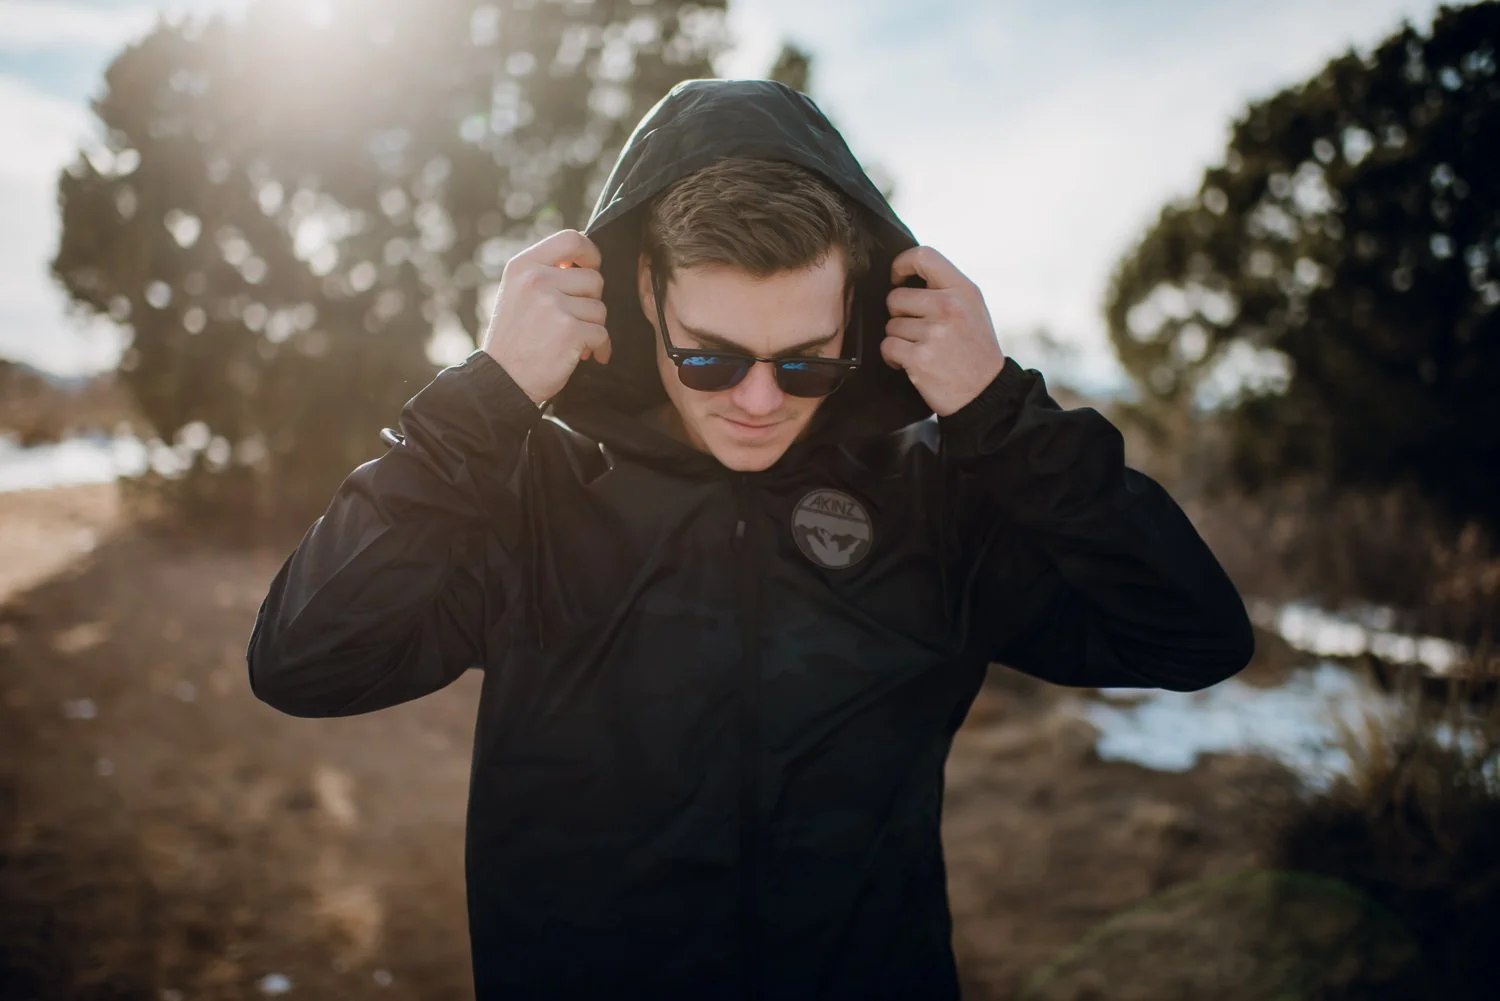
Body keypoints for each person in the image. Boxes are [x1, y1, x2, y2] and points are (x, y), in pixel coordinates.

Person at [248, 78, 1253, 1000]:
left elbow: (1193, 634)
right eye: (710, 356)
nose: (760, 401)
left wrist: (1003, 414)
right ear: (645, 295)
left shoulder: (936, 502)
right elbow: (305, 659)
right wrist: (485, 402)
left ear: (859, 314)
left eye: (806, 363)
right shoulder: (531, 500)